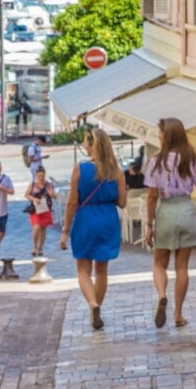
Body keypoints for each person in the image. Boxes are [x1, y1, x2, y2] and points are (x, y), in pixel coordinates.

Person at [145, 118, 196, 329]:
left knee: (159, 264)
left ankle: (162, 295)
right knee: (182, 267)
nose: (158, 136)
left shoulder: (155, 161)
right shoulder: (191, 158)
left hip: (166, 211)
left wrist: (148, 223)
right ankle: (178, 314)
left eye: (160, 133)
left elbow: (152, 195)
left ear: (167, 135)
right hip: (186, 210)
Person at [60, 128, 125, 330]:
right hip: (108, 220)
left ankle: (93, 304)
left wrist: (65, 230)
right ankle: (96, 309)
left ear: (90, 145)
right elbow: (122, 202)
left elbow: (72, 202)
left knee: (83, 269)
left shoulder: (80, 169)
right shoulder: (117, 171)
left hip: (86, 219)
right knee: (102, 271)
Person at [25, 165, 56, 258]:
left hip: (46, 209)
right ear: (36, 176)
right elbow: (26, 194)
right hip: (36, 210)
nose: (41, 178)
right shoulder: (33, 184)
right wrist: (34, 199)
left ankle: (40, 248)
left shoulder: (49, 184)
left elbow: (55, 196)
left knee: (43, 229)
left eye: (42, 176)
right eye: (39, 176)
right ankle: (34, 246)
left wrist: (52, 194)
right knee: (37, 227)